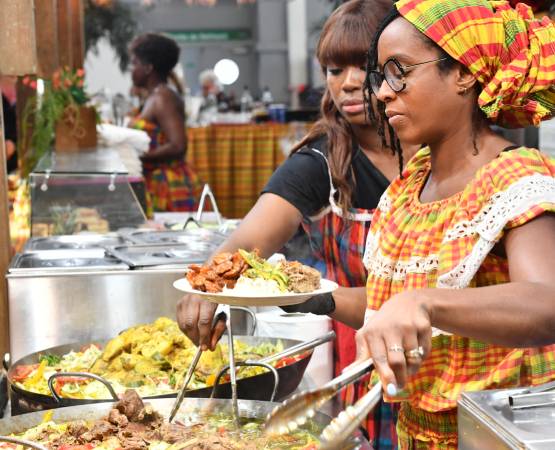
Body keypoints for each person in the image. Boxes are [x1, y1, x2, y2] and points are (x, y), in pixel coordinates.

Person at [176, 1, 416, 448]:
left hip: (456, 352)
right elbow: (246, 245)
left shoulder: (435, 150)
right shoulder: (319, 164)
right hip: (366, 359)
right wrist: (203, 290)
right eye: (331, 68)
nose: (345, 83)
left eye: (360, 66)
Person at [352, 0, 555, 448]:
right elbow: (389, 307)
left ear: (463, 72)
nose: (384, 93)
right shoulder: (409, 188)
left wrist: (425, 303)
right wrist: (317, 300)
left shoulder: (514, 176)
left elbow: (547, 302)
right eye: (380, 77)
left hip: (494, 437)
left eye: (399, 71)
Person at [128, 33, 202, 212]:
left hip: (169, 186)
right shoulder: (154, 96)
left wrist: (139, 158)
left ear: (148, 68)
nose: (132, 69)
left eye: (135, 63)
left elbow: (178, 145)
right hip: (157, 182)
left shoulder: (163, 97)